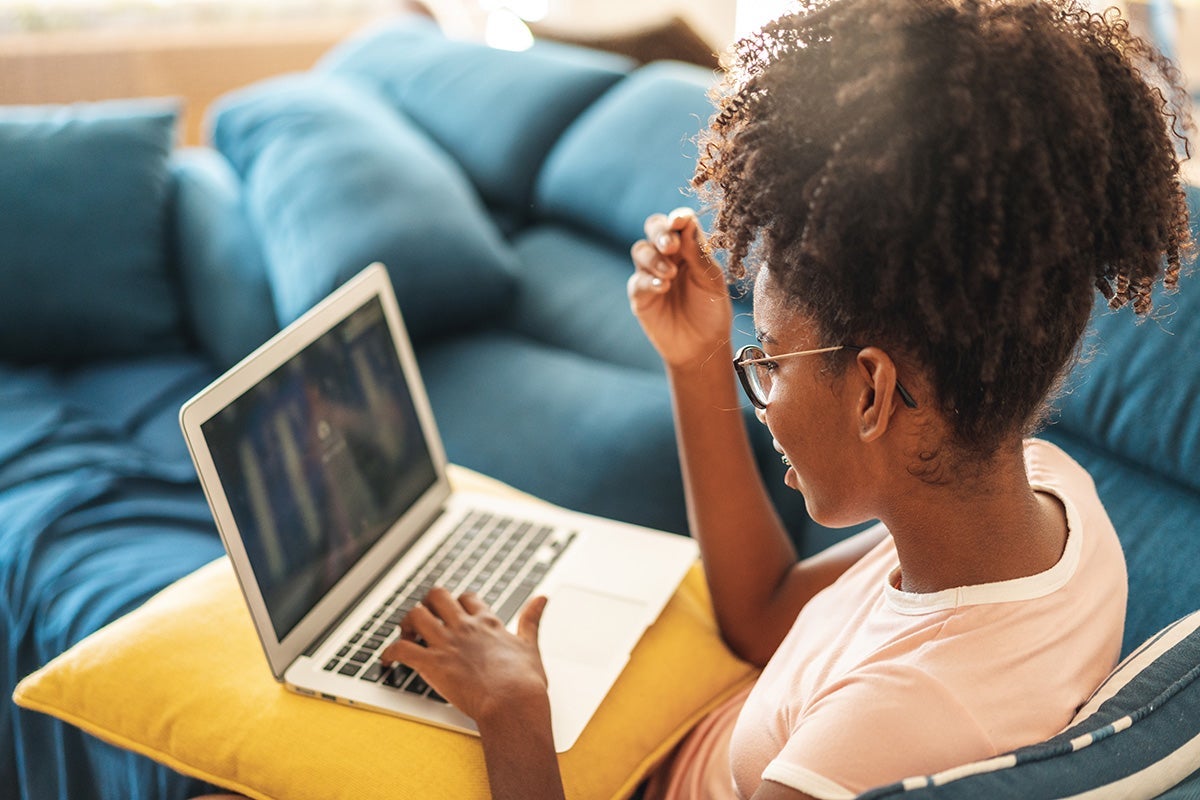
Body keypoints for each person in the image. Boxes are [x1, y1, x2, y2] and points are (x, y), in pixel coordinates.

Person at [196, 0, 1192, 797]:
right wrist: (697, 356)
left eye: (770, 363)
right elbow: (760, 615)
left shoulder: (871, 745)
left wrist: (515, 716)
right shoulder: (1048, 501)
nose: (758, 396)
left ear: (876, 389)